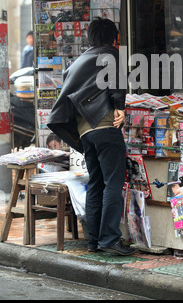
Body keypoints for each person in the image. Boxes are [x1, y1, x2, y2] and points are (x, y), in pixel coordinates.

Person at [47, 17, 137, 256]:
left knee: (96, 183)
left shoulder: (77, 64)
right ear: (114, 39)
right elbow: (118, 79)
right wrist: (120, 106)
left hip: (85, 133)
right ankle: (110, 238)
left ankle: (94, 240)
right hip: (106, 127)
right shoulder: (111, 53)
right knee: (113, 183)